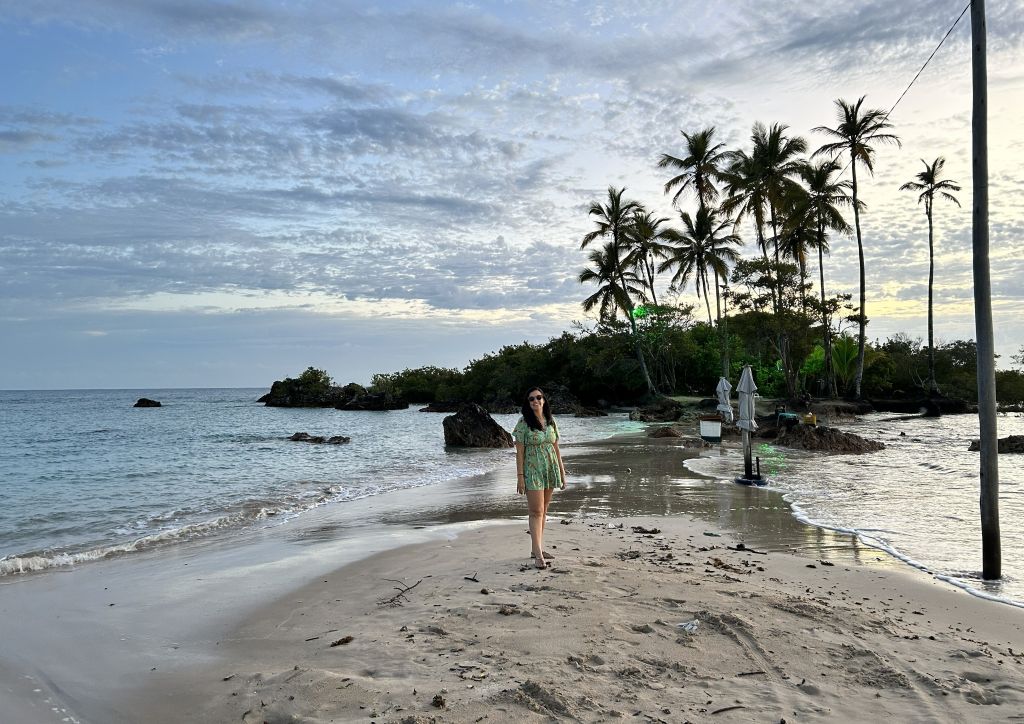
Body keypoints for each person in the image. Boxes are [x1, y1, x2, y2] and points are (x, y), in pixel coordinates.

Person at [513, 387, 567, 570]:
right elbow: (519, 452)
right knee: (535, 511)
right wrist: (520, 477)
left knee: (543, 511)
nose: (535, 401)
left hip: (549, 468)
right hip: (532, 470)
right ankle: (537, 553)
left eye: (538, 397)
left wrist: (562, 471)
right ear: (528, 403)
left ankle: (537, 549)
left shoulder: (551, 421)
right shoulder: (523, 423)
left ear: (544, 400)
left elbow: (556, 448)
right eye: (531, 399)